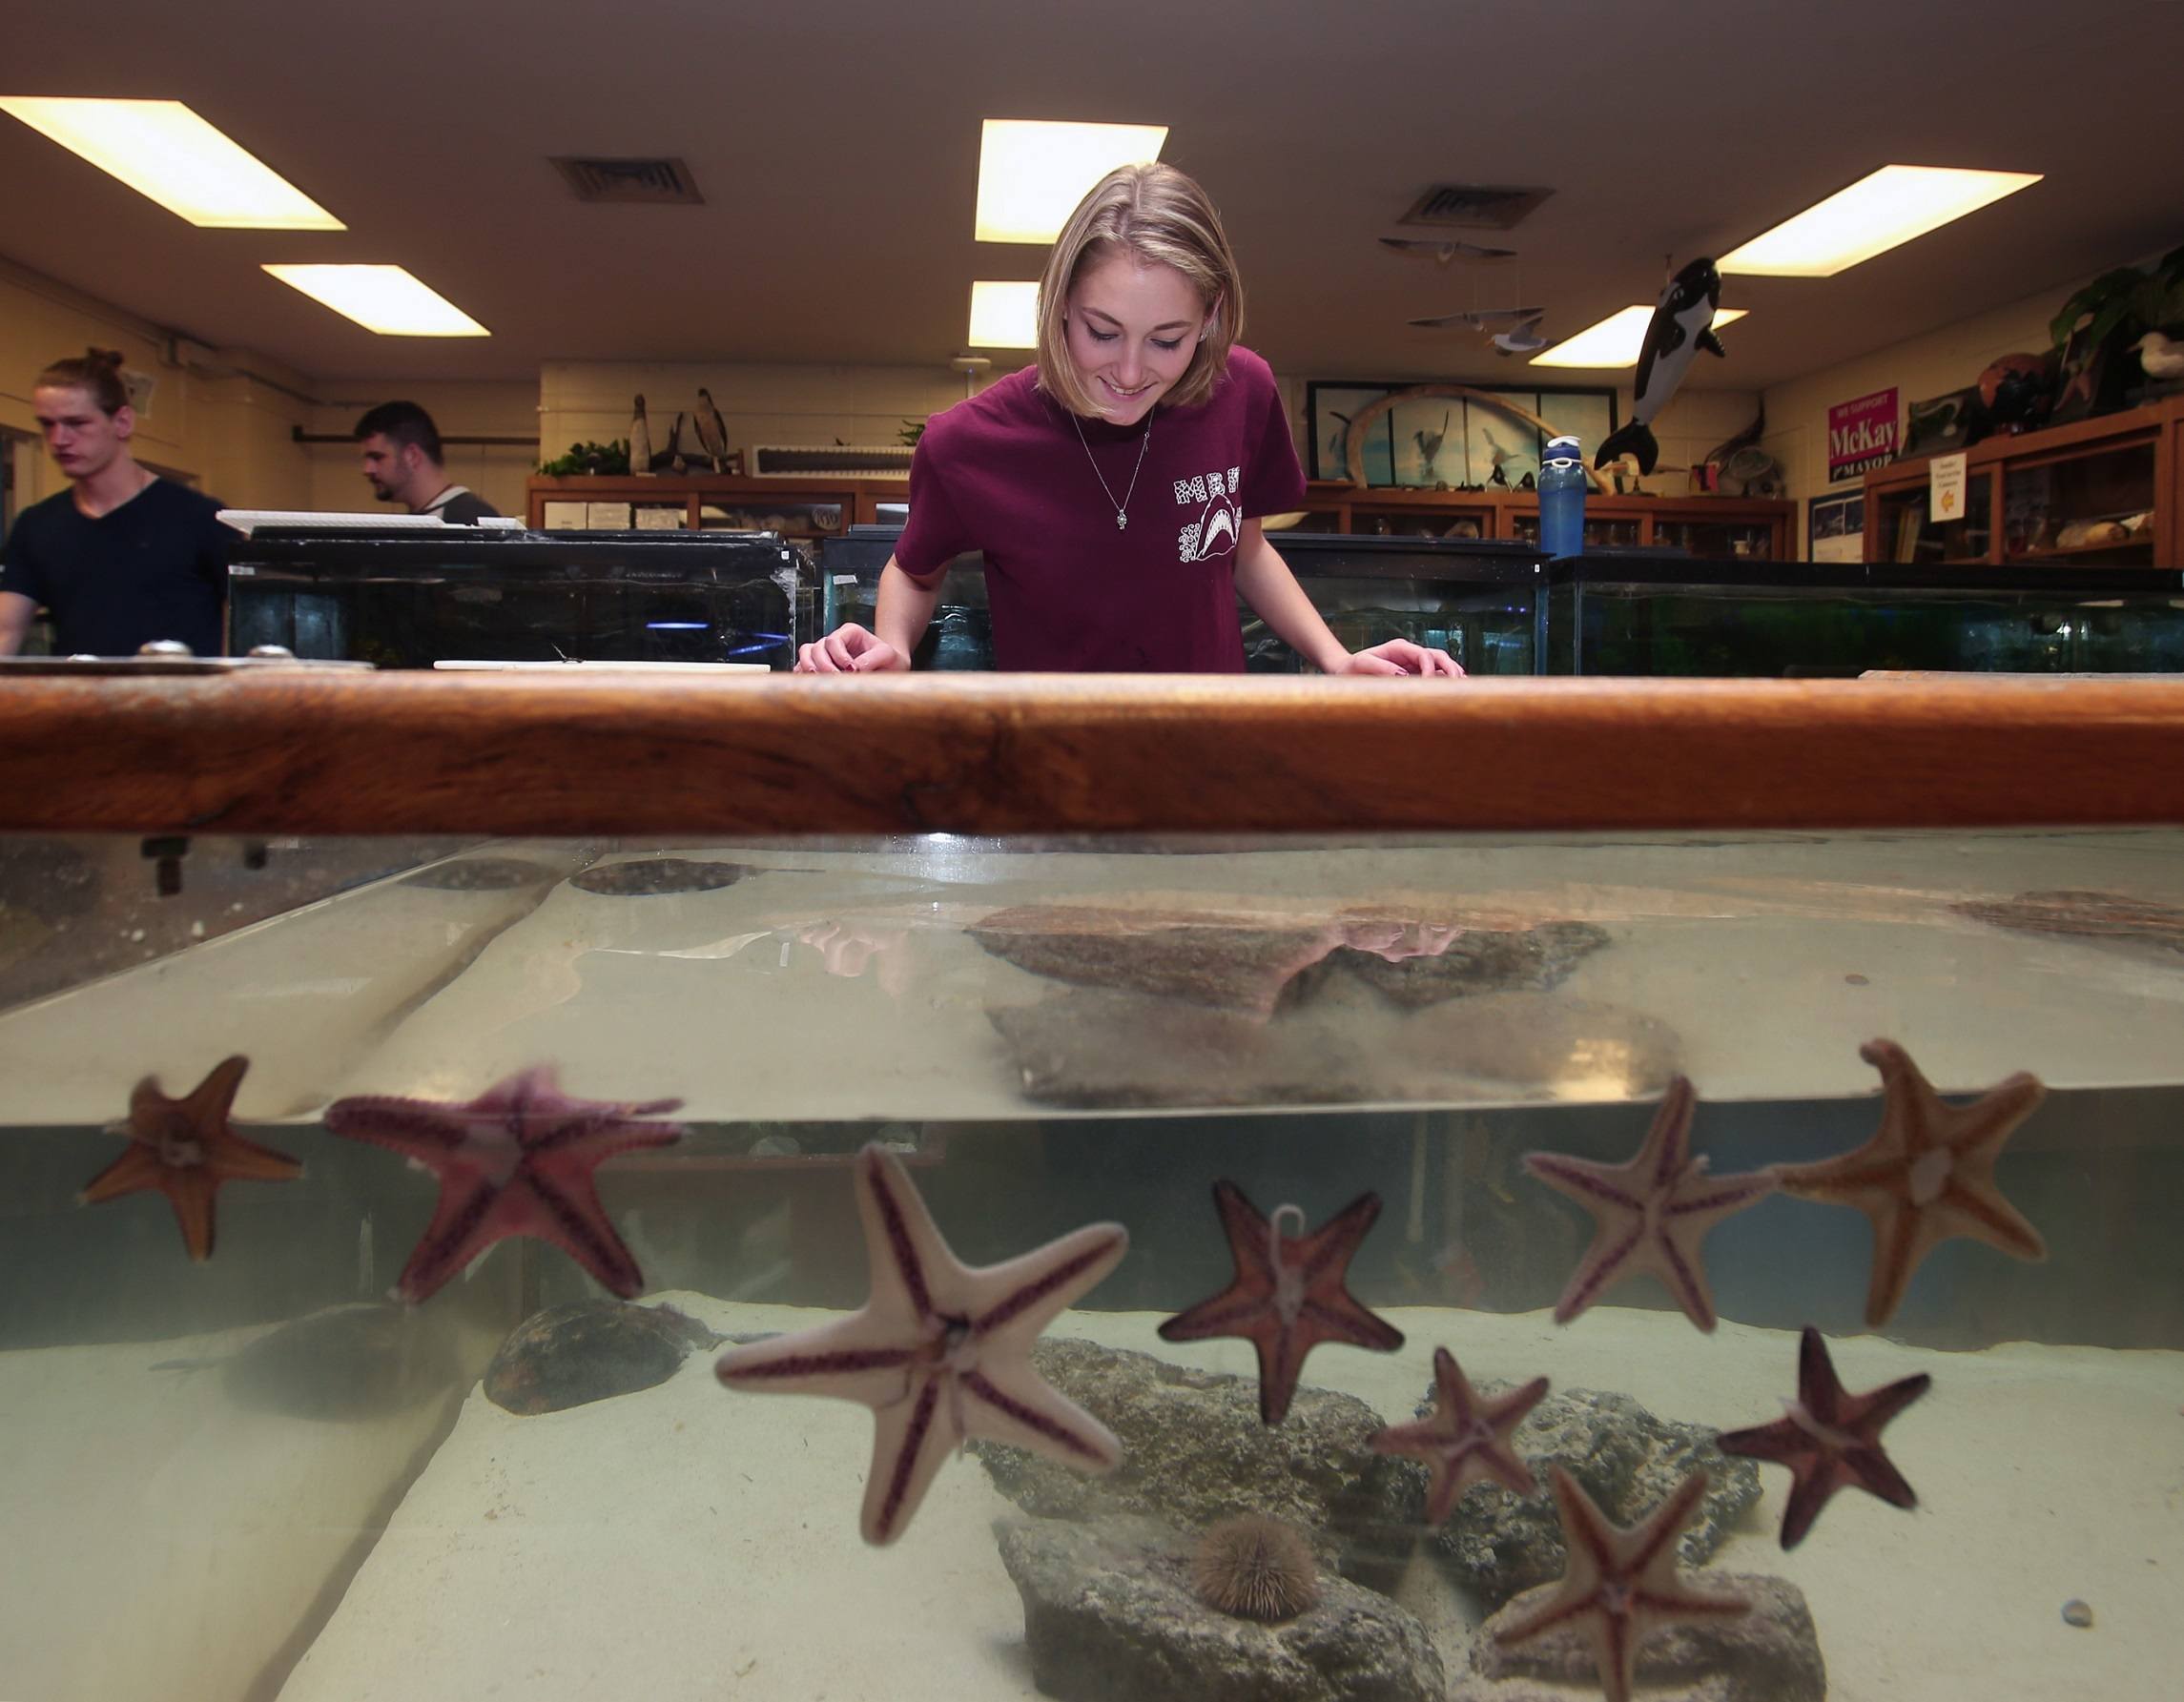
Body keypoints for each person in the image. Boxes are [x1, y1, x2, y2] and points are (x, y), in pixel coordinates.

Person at [795, 164, 1460, 676]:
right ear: (1061, 305)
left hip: (1209, 763)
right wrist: (891, 651)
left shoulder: (1243, 390)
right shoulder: (966, 443)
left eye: (1167, 340)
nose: (1132, 371)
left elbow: (1243, 548)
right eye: (1103, 332)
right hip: (1052, 778)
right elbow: (913, 571)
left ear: (1211, 318)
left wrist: (1336, 659)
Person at [0, 349, 231, 658]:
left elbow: (253, 618)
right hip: (79, 701)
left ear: (122, 422)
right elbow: (6, 630)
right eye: (48, 424)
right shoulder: (36, 525)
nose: (59, 439)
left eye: (76, 423)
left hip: (179, 701)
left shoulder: (200, 518)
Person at [354, 400, 501, 523]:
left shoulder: (473, 522)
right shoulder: (423, 519)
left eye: (377, 457)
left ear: (412, 456)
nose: (367, 469)